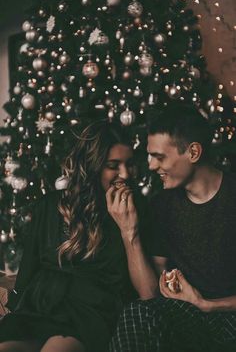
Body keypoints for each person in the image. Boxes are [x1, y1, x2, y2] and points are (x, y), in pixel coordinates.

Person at [0, 119, 157, 352]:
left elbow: (149, 297)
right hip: (40, 306)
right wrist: (14, 307)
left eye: (129, 164)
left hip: (89, 313)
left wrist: (128, 229)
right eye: (113, 165)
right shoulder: (50, 205)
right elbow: (28, 269)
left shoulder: (137, 209)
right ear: (92, 165)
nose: (125, 174)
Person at [110, 105, 236, 352]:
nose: (151, 166)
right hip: (190, 317)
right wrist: (129, 233)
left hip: (230, 314)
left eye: (159, 157)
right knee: (137, 312)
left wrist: (207, 304)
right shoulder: (162, 205)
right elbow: (149, 294)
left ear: (193, 152)